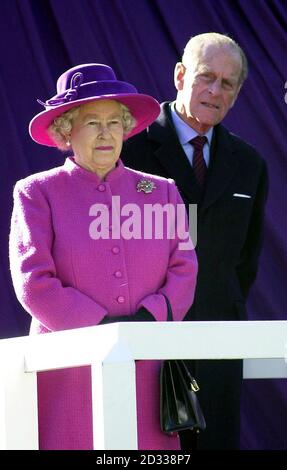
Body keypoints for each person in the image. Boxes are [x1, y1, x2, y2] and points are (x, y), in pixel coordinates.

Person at [9, 63, 198, 450]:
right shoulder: (36, 192)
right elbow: (33, 280)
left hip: (146, 367)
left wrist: (150, 318)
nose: (106, 132)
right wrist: (101, 328)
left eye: (115, 122)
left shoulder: (161, 191)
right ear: (66, 130)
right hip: (69, 372)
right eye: (92, 122)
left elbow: (185, 268)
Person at [121, 33, 269, 450]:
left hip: (218, 342)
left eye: (227, 83)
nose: (215, 91)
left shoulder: (250, 165)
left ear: (238, 93)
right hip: (146, 341)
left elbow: (244, 262)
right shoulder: (128, 152)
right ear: (180, 76)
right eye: (206, 77)